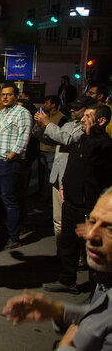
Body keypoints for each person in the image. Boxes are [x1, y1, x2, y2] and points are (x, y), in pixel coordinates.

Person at [2, 187, 112, 350]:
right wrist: (57, 310)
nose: (90, 235)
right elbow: (100, 315)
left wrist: (67, 342)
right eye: (93, 221)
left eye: (109, 229)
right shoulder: (105, 281)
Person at [43, 104, 112, 294]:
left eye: (88, 117)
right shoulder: (83, 139)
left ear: (101, 121)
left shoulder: (103, 144)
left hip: (88, 207)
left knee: (91, 250)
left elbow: (93, 164)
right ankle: (67, 280)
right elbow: (73, 164)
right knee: (68, 244)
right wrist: (65, 184)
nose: (82, 119)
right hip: (71, 203)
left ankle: (97, 291)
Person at [33, 96, 93, 236]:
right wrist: (39, 126)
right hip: (57, 175)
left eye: (77, 108)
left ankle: (75, 255)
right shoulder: (68, 125)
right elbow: (50, 139)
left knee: (72, 220)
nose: (72, 110)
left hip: (71, 179)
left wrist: (47, 124)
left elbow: (67, 139)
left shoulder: (85, 128)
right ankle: (61, 252)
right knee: (58, 219)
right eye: (72, 107)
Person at [0, 82, 32, 250]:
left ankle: (13, 236)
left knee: (9, 198)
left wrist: (13, 154)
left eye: (9, 94)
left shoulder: (22, 113)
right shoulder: (2, 114)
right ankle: (3, 232)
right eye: (3, 94)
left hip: (9, 162)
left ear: (16, 96)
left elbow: (24, 136)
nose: (5, 97)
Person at [36, 95, 68, 201]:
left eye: (47, 103)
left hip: (52, 151)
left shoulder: (62, 118)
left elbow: (59, 135)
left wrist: (47, 123)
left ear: (53, 105)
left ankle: (48, 197)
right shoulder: (45, 115)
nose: (45, 105)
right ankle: (41, 193)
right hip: (42, 148)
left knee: (50, 176)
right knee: (41, 174)